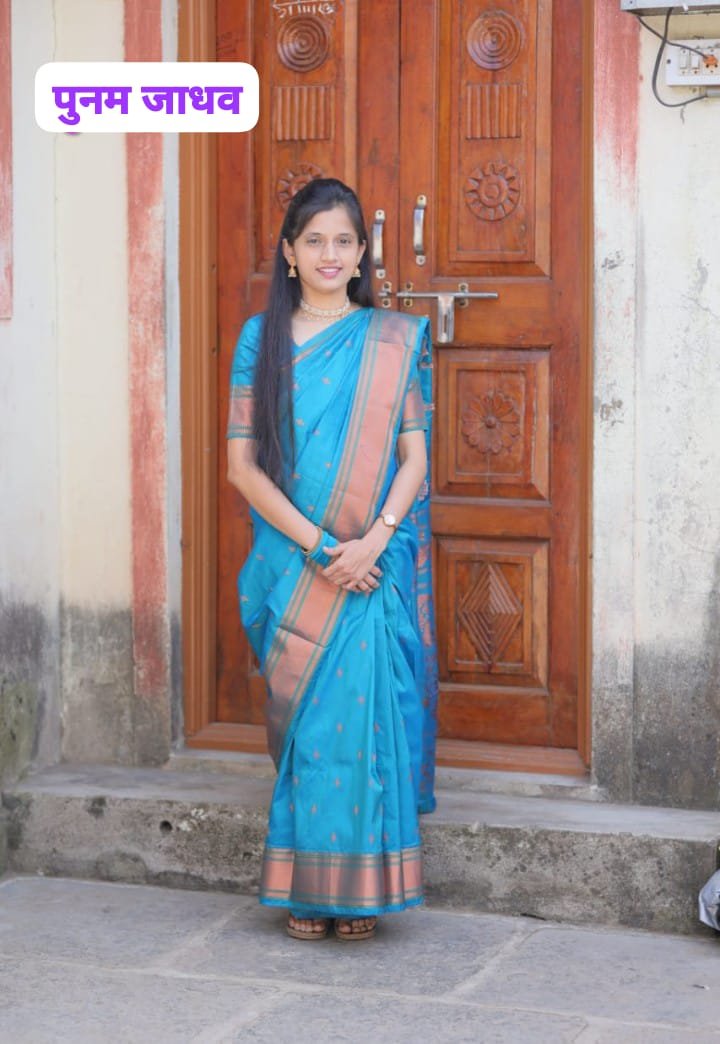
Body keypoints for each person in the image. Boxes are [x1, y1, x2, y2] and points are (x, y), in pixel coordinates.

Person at [226, 177, 438, 942]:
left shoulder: (391, 339)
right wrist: (322, 550)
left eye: (343, 241)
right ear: (289, 252)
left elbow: (414, 457)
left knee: (365, 726)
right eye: (313, 239)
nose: (329, 253)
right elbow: (242, 468)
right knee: (314, 727)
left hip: (369, 564)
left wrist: (375, 538)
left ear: (360, 253)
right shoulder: (262, 339)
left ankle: (363, 893)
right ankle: (308, 889)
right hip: (297, 563)